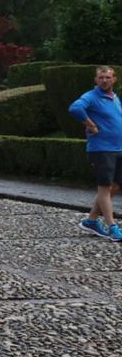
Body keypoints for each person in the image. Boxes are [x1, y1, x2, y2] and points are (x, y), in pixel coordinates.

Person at [69, 66, 122, 241]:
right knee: (105, 188)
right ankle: (112, 226)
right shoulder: (91, 96)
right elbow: (75, 108)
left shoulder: (115, 98)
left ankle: (91, 220)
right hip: (101, 149)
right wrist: (90, 124)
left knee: (115, 187)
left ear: (114, 79)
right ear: (96, 79)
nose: (104, 80)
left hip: (118, 148)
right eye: (101, 77)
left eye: (107, 77)